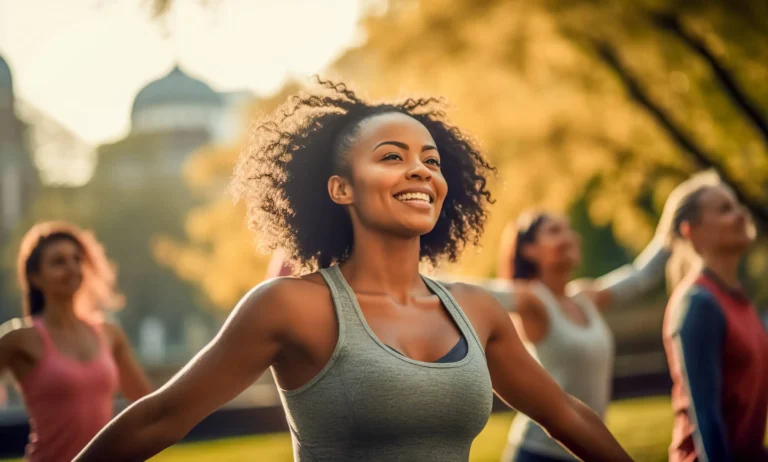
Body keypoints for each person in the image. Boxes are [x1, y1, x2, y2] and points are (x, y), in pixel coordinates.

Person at [75, 79, 632, 462]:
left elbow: (565, 415)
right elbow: (159, 419)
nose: (419, 169)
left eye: (430, 160)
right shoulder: (290, 306)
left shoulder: (477, 311)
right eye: (391, 156)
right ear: (340, 188)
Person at [486, 209, 669, 462]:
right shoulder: (533, 300)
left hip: (585, 448)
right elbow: (480, 293)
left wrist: (674, 220)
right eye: (554, 231)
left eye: (568, 229)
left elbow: (641, 276)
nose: (569, 237)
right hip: (538, 453)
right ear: (529, 250)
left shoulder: (585, 297)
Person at [0, 222, 152, 462]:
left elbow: (146, 405)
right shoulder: (20, 339)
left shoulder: (109, 334)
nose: (71, 268)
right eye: (58, 262)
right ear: (36, 277)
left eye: (76, 259)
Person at [662, 174, 768, 462]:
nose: (741, 214)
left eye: (737, 205)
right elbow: (707, 419)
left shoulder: (739, 299)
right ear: (691, 232)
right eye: (724, 209)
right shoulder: (697, 303)